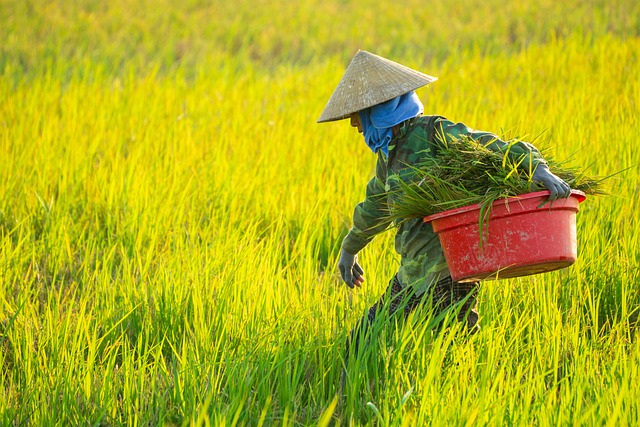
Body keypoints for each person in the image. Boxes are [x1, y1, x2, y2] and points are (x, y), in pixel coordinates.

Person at [317, 50, 571, 373]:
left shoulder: (433, 134)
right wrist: (348, 250)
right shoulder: (388, 158)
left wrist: (537, 169)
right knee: (361, 342)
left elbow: (489, 147)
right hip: (410, 278)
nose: (354, 124)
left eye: (358, 115)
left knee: (454, 363)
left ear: (378, 110)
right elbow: (372, 210)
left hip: (450, 276)